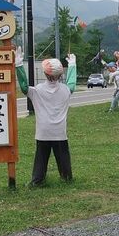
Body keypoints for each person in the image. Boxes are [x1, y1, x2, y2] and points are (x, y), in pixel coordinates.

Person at [27, 58, 73, 186]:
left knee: (41, 157)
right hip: (60, 131)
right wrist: (72, 65)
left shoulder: (37, 90)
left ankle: (37, 180)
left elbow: (24, 87)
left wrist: (19, 65)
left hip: (43, 131)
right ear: (60, 74)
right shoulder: (65, 89)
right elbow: (72, 83)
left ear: (45, 74)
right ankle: (66, 177)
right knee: (63, 156)